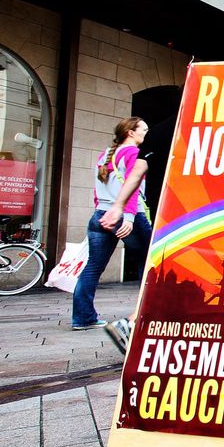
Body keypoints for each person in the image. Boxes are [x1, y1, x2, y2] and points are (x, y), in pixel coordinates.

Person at [73, 117, 152, 348]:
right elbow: (133, 187)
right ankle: (146, 315)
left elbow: (99, 190)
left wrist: (103, 211)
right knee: (148, 265)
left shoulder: (105, 154)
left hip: (100, 215)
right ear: (130, 132)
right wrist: (127, 217)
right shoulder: (134, 155)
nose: (145, 134)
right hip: (128, 216)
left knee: (93, 266)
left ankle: (83, 318)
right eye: (143, 130)